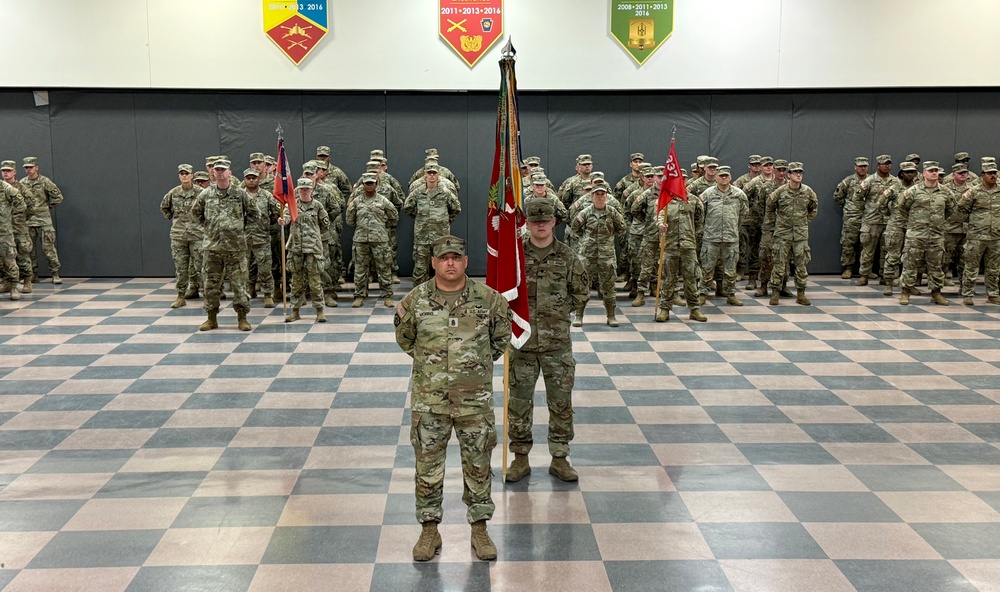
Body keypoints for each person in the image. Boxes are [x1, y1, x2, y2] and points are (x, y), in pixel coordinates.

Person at [395, 234, 511, 562]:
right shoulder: (415, 301)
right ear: (433, 262)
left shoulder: (489, 300)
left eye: (456, 257)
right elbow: (406, 339)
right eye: (443, 257)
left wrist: (471, 368)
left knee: (478, 464)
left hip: (474, 400)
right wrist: (436, 368)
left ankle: (480, 528)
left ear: (465, 261)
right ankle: (429, 530)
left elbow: (500, 339)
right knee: (427, 466)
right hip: (429, 400)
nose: (450, 263)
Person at [506, 198, 588, 484]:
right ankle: (519, 457)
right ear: (526, 223)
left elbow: (580, 293)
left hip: (557, 346)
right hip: (522, 345)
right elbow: (502, 296)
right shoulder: (514, 257)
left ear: (554, 222)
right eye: (534, 220)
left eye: (545, 220)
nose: (540, 225)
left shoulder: (568, 257)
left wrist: (558, 315)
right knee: (518, 404)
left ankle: (560, 457)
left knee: (561, 403)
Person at [190, 158, 260, 331]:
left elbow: (254, 214)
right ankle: (211, 318)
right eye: (217, 169)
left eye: (223, 170)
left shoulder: (240, 193)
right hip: (212, 248)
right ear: (213, 173)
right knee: (211, 285)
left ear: (229, 173)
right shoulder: (206, 194)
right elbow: (196, 213)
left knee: (239, 285)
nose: (220, 172)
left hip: (235, 248)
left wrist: (242, 232)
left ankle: (242, 318)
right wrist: (209, 229)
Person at [898, 162, 955, 306]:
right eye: (931, 171)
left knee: (936, 266)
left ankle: (936, 293)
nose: (934, 173)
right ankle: (906, 292)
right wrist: (914, 224)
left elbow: (950, 209)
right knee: (910, 264)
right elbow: (902, 208)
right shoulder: (913, 191)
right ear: (924, 173)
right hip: (916, 235)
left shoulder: (946, 192)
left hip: (936, 236)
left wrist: (936, 223)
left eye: (936, 171)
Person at [572, 185, 626, 326]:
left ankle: (611, 316)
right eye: (597, 194)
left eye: (603, 194)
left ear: (606, 196)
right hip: (587, 255)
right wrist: (586, 241)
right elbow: (575, 228)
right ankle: (578, 316)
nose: (600, 197)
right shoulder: (585, 213)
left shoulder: (613, 213)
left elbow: (622, 228)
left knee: (608, 286)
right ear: (592, 196)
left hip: (606, 255)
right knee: (583, 285)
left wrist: (608, 239)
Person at [766, 162, 819, 305]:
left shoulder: (808, 192)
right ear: (789, 175)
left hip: (800, 235)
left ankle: (801, 294)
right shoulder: (780, 192)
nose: (798, 175)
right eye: (795, 172)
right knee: (779, 264)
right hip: (782, 234)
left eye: (800, 172)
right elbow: (770, 208)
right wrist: (775, 224)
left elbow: (814, 208)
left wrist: (804, 221)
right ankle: (775, 293)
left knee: (801, 264)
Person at [280, 178, 331, 322]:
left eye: (307, 188)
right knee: (296, 281)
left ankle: (319, 310)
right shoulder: (292, 204)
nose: (304, 191)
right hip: (296, 247)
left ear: (311, 189)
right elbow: (287, 218)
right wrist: (283, 221)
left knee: (314, 281)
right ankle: (295, 311)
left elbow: (325, 225)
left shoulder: (317, 206)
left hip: (313, 248)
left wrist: (314, 237)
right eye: (301, 188)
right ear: (298, 189)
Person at [654, 183, 707, 323]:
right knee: (668, 279)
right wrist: (661, 225)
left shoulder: (694, 200)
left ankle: (694, 309)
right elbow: (658, 216)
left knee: (691, 278)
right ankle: (664, 309)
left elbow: (699, 220)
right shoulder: (664, 199)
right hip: (670, 245)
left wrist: (690, 234)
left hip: (688, 246)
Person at [403, 163, 461, 286]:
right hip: (422, 235)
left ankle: (441, 291)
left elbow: (456, 208)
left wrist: (445, 221)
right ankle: (419, 294)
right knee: (420, 267)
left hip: (440, 235)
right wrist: (420, 218)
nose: (432, 176)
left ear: (438, 176)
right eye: (429, 173)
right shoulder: (417, 192)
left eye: (434, 173)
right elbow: (407, 207)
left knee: (442, 264)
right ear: (425, 176)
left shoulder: (445, 192)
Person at [698, 166, 748, 306]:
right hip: (711, 238)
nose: (724, 178)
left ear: (730, 177)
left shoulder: (739, 194)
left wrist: (733, 228)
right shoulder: (708, 194)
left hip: (731, 238)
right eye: (721, 176)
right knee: (707, 268)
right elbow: (700, 214)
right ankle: (703, 293)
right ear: (716, 177)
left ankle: (730, 294)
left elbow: (743, 214)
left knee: (731, 269)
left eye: (726, 175)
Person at [346, 172, 398, 307]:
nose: (369, 186)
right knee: (360, 269)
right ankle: (359, 295)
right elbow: (350, 220)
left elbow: (394, 217)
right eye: (367, 183)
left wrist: (381, 226)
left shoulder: (383, 200)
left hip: (380, 239)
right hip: (361, 239)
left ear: (376, 184)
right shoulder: (356, 201)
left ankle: (387, 295)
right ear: (363, 185)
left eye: (372, 183)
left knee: (384, 267)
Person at [954, 162, 1000, 306]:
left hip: (996, 237)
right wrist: (973, 224)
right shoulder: (973, 191)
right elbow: (961, 209)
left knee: (994, 268)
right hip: (976, 236)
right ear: (982, 175)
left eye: (994, 173)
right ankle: (968, 294)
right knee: (971, 266)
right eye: (989, 173)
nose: (993, 175)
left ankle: (992, 294)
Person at [160, 164, 204, 308]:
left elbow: (208, 209)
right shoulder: (173, 193)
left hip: (197, 235)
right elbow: (164, 207)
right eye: (182, 173)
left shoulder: (201, 192)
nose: (184, 176)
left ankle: (206, 294)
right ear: (179, 176)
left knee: (201, 266)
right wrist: (174, 218)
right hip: (179, 235)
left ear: (192, 175)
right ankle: (180, 295)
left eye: (187, 173)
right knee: (181, 267)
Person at [856, 155, 901, 286]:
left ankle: (885, 276)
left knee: (888, 250)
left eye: (889, 163)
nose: (887, 166)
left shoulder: (896, 182)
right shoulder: (869, 181)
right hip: (871, 221)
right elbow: (857, 198)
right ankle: (864, 275)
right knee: (868, 249)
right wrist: (866, 211)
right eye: (884, 164)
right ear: (878, 165)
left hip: (889, 221)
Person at [20, 157, 64, 285]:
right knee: (29, 250)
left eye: (30, 167)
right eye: (26, 168)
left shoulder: (45, 182)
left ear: (36, 167)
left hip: (44, 221)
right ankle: (32, 274)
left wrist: (47, 206)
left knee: (48, 249)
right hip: (29, 221)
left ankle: (55, 273)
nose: (28, 170)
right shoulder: (22, 183)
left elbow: (58, 197)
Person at [242, 168, 281, 308]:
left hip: (262, 238)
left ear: (259, 179)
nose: (251, 180)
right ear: (245, 180)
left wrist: (268, 224)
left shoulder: (266, 195)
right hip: (243, 239)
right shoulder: (239, 195)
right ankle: (248, 290)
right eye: (248, 178)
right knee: (245, 268)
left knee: (265, 268)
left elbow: (277, 212)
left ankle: (267, 294)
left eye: (254, 178)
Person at [834, 156, 871, 279]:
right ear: (855, 167)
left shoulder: (872, 180)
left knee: (867, 245)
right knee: (848, 243)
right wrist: (849, 207)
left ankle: (865, 270)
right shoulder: (848, 181)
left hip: (869, 217)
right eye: (860, 166)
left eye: (864, 166)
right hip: (851, 218)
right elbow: (838, 196)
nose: (862, 168)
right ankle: (848, 268)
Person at [2, 161, 30, 295]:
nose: (5, 173)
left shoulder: (6, 188)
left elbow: (22, 204)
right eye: (3, 171)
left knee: (9, 257)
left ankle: (14, 286)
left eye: (8, 170)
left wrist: (11, 217)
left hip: (5, 231)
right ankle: (6, 283)